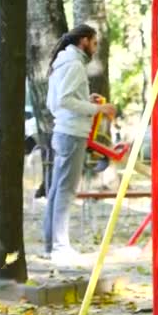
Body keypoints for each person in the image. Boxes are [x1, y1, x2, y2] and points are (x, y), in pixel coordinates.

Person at [43, 24, 116, 265]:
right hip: (72, 134)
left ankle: (51, 244)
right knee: (65, 191)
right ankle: (60, 248)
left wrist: (86, 101)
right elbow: (64, 101)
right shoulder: (73, 64)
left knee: (56, 190)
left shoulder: (63, 63)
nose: (95, 48)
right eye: (94, 43)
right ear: (84, 41)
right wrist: (98, 108)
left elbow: (59, 101)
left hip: (64, 131)